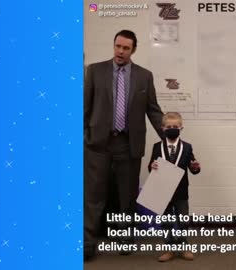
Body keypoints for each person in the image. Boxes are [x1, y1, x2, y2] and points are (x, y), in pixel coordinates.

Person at [83, 29, 164, 261]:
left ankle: (125, 236)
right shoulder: (95, 71)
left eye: (126, 48)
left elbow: (153, 110)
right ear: (114, 45)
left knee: (127, 195)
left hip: (128, 145)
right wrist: (81, 137)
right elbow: (84, 107)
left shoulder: (144, 76)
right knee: (93, 195)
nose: (120, 51)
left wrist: (169, 136)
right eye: (118, 46)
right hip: (98, 144)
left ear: (133, 50)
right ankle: (88, 243)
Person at [148, 112, 201, 262]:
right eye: (169, 126)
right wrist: (152, 166)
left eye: (175, 126)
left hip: (181, 191)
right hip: (163, 191)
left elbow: (193, 168)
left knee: (183, 220)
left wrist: (195, 167)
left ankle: (184, 247)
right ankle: (169, 248)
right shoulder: (157, 147)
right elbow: (151, 166)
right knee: (165, 221)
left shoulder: (187, 147)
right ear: (163, 128)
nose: (172, 129)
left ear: (181, 128)